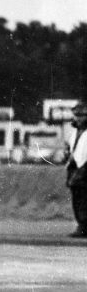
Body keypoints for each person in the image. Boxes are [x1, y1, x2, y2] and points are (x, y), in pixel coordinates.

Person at [64, 101, 87, 237]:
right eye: (77, 115)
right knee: (77, 196)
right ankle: (82, 224)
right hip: (75, 167)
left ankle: (84, 225)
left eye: (82, 115)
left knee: (83, 197)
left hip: (84, 167)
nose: (78, 118)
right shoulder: (76, 132)